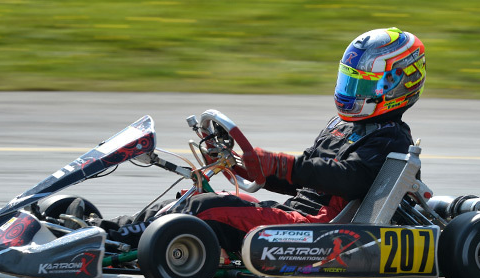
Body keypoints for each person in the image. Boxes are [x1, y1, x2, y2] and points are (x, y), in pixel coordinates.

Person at [102, 27, 426, 252]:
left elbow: (350, 180)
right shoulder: (341, 126)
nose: (354, 93)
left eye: (365, 85)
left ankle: (113, 243)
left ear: (399, 84)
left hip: (320, 233)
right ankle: (103, 228)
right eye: (351, 81)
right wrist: (251, 169)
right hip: (292, 214)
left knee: (206, 208)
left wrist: (283, 164)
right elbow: (302, 182)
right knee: (192, 195)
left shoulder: (391, 138)